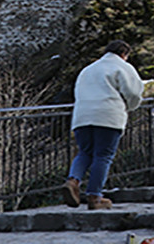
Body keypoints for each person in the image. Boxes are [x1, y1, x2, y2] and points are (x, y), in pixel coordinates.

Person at [63, 40, 144, 210]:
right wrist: (129, 106)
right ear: (124, 54)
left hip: (82, 116)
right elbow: (134, 93)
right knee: (103, 155)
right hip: (108, 115)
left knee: (85, 152)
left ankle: (73, 180)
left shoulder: (88, 69)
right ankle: (95, 196)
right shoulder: (123, 67)